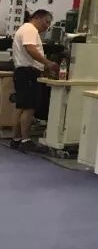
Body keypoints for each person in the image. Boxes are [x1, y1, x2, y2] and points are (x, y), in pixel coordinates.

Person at [11, 9, 58, 148]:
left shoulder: (24, 29)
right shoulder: (30, 29)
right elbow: (30, 49)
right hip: (28, 73)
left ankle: (16, 139)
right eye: (46, 22)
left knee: (21, 107)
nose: (47, 26)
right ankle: (25, 140)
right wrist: (47, 63)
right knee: (29, 107)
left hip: (22, 72)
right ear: (37, 18)